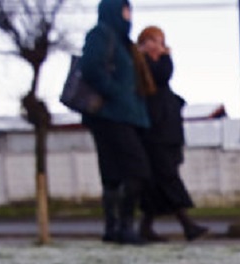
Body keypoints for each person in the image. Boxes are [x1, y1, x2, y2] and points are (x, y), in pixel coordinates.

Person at [79, 0, 156, 244]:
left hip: (125, 115)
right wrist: (114, 91)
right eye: (125, 10)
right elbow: (90, 67)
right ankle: (123, 226)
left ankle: (113, 229)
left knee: (113, 174)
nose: (129, 15)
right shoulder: (101, 34)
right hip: (110, 115)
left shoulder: (124, 42)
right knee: (137, 170)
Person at [136, 26, 209, 242]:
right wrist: (149, 56)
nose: (157, 46)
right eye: (152, 41)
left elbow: (165, 75)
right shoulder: (139, 64)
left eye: (160, 41)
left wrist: (164, 56)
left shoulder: (163, 66)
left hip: (168, 130)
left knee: (159, 180)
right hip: (153, 132)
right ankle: (187, 225)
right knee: (166, 177)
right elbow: (157, 76)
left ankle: (146, 227)